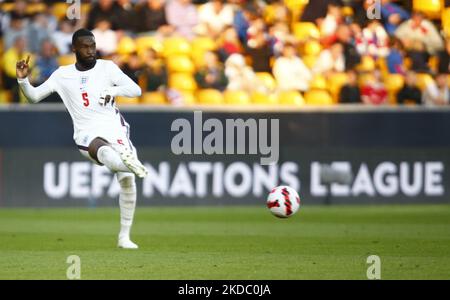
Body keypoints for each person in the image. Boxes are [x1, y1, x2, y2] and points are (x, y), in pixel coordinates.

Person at [16, 29, 148, 249]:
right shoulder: (62, 74)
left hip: (115, 129)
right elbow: (34, 97)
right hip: (87, 133)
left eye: (93, 46)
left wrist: (111, 90)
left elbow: (136, 90)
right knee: (105, 153)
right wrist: (23, 80)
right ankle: (127, 161)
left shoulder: (107, 68)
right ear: (74, 48)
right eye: (85, 46)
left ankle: (124, 237)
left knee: (126, 180)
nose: (90, 50)